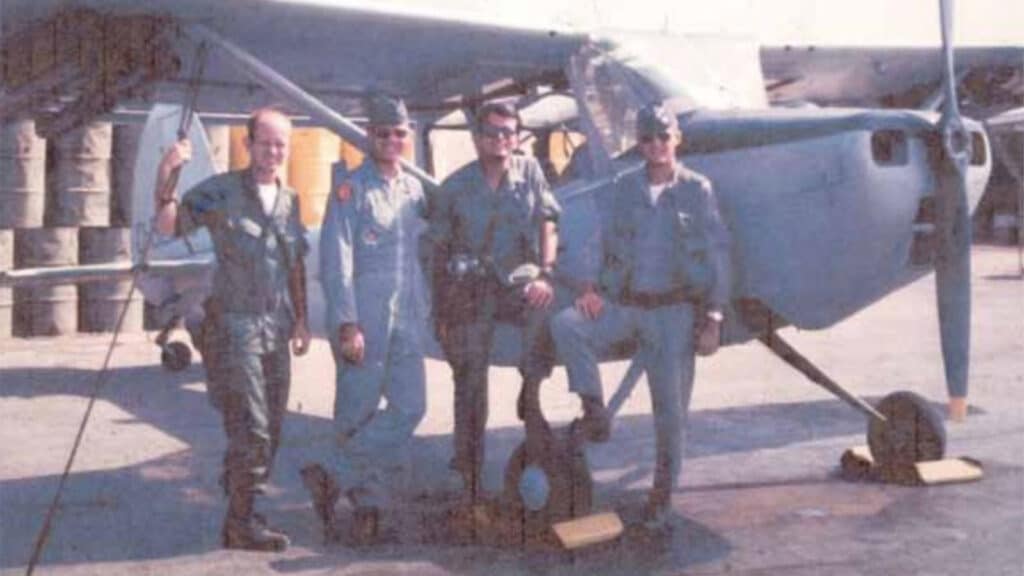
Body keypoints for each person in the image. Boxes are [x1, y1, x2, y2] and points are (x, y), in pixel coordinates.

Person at [550, 102, 732, 526]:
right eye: (647, 139)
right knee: (568, 325)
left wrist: (714, 318)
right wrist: (592, 289)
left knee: (670, 417)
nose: (655, 146)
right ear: (640, 144)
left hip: (673, 315)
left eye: (663, 137)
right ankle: (594, 408)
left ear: (676, 140)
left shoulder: (697, 189)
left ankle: (661, 499)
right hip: (627, 306)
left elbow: (718, 256)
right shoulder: (625, 189)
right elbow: (605, 245)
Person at [430, 100, 605, 503]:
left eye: (509, 132)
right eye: (493, 133)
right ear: (477, 139)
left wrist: (544, 272)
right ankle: (469, 474)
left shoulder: (529, 172)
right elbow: (436, 254)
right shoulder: (454, 188)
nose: (502, 140)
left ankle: (531, 392)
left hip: (515, 279)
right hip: (471, 290)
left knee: (546, 307)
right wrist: (441, 312)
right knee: (470, 380)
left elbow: (548, 219)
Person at [154, 108, 310, 551]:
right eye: (266, 143)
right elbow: (169, 225)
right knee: (254, 429)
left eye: (281, 144)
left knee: (273, 427)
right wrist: (167, 175)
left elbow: (294, 260)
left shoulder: (290, 199)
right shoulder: (221, 192)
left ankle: (241, 491)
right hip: (234, 326)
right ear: (248, 145)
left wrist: (301, 319)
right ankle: (242, 522)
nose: (274, 152)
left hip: (275, 327)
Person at [301, 96, 428, 544]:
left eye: (399, 133)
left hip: (407, 318)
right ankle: (368, 507)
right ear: (370, 136)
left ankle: (329, 473)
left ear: (407, 136)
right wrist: (347, 324)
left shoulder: (414, 191)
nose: (392, 140)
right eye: (382, 133)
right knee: (356, 414)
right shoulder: (350, 190)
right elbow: (338, 264)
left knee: (411, 407)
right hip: (366, 318)